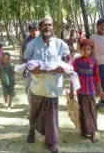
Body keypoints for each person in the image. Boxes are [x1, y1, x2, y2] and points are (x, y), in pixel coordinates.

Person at [24, 18, 70, 153]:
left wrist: (62, 68)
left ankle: (51, 141)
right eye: (44, 25)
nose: (47, 27)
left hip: (53, 86)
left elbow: (68, 59)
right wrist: (32, 70)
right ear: (40, 27)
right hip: (37, 84)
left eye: (49, 25)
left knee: (52, 115)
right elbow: (25, 60)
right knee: (34, 110)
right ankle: (32, 130)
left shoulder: (60, 44)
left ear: (53, 27)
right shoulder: (32, 44)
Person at [69, 39, 104, 143]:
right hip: (80, 91)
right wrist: (71, 91)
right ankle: (84, 130)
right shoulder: (76, 62)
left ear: (91, 50)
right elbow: (73, 77)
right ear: (80, 49)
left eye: (88, 49)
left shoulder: (94, 62)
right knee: (83, 111)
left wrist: (101, 91)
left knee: (92, 111)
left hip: (91, 91)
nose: (86, 51)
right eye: (84, 49)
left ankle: (94, 132)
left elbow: (97, 78)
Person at [20, 22, 39, 103]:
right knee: (28, 88)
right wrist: (24, 69)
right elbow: (22, 56)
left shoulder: (43, 41)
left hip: (41, 69)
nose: (34, 32)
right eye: (32, 30)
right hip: (30, 69)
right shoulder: (25, 42)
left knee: (39, 89)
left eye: (36, 30)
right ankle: (31, 106)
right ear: (29, 31)